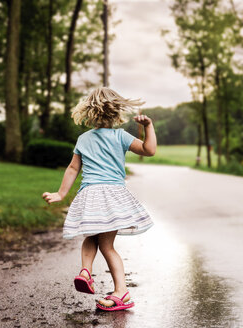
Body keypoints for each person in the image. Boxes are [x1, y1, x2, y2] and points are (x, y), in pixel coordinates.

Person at [41, 87, 156, 311]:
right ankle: (120, 290)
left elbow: (73, 168)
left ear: (90, 112)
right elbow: (148, 150)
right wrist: (148, 127)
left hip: (91, 195)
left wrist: (61, 193)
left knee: (92, 237)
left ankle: (87, 272)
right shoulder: (120, 136)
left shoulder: (83, 139)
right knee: (107, 245)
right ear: (116, 113)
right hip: (113, 196)